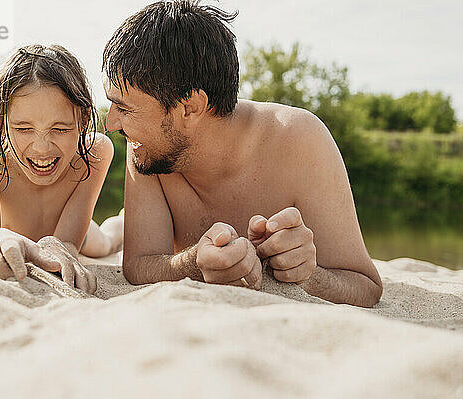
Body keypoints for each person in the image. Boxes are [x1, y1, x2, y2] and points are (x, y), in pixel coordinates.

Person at [102, 1, 383, 307]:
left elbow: (366, 287)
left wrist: (308, 275)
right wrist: (194, 264)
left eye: (124, 108)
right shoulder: (147, 149)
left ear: (190, 108)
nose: (110, 123)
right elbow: (138, 265)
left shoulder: (300, 140)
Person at [0, 44, 123, 294]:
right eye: (24, 129)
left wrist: (60, 246)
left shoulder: (95, 153)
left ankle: (121, 222)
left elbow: (68, 242)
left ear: (84, 119)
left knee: (107, 243)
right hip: (14, 234)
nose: (41, 148)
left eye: (60, 129)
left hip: (82, 233)